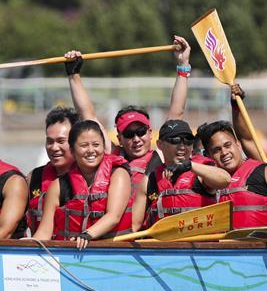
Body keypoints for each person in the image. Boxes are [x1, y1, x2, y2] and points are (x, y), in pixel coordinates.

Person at [64, 35, 192, 188]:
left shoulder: (161, 153)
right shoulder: (114, 154)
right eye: (129, 134)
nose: (136, 139)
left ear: (151, 132)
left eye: (141, 131)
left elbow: (176, 113)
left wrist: (183, 65)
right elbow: (88, 116)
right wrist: (73, 74)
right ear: (119, 138)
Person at [33, 120, 132, 249]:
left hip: (113, 252)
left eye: (96, 144)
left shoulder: (118, 174)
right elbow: (44, 232)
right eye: (84, 145)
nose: (91, 150)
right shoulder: (58, 185)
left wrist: (87, 235)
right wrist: (26, 245)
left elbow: (113, 216)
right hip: (72, 255)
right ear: (72, 150)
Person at [196, 120, 267, 228]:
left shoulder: (265, 172)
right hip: (223, 247)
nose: (224, 152)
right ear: (208, 155)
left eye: (228, 145)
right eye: (217, 150)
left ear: (238, 144)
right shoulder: (205, 181)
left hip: (261, 247)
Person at [131, 119, 231, 231]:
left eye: (188, 141)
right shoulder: (150, 180)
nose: (182, 146)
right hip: (163, 246)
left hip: (201, 246)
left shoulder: (202, 171)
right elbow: (134, 226)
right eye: (175, 140)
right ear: (160, 145)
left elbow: (225, 180)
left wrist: (189, 166)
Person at [24, 106, 80, 234]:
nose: (54, 147)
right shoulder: (33, 177)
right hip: (40, 248)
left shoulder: (90, 178)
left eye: (61, 141)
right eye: (49, 141)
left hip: (76, 251)